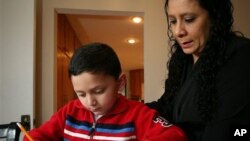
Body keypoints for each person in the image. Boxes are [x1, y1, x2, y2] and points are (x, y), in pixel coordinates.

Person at [24, 42, 187, 141]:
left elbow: (175, 136)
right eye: (80, 94)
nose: (89, 102)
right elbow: (36, 135)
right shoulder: (69, 112)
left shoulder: (137, 113)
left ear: (120, 83)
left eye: (99, 91)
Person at [146, 0, 250, 141]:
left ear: (214, 17)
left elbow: (227, 132)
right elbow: (165, 107)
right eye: (173, 21)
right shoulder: (182, 60)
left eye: (189, 19)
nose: (178, 31)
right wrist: (123, 107)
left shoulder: (241, 55)